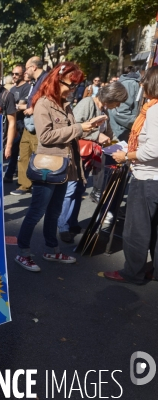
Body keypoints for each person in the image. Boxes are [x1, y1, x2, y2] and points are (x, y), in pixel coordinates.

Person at [14, 62, 102, 272]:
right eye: (71, 85)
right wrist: (79, 127)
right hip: (48, 166)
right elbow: (45, 137)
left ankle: (51, 249)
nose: (73, 90)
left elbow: (71, 133)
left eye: (76, 86)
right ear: (57, 80)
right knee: (36, 212)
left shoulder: (65, 104)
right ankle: (23, 252)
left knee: (54, 212)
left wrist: (90, 129)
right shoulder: (43, 103)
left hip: (64, 166)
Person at [104, 66, 158, 284]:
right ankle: (152, 271)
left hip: (147, 178)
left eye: (144, 81)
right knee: (154, 230)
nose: (140, 84)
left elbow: (154, 148)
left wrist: (127, 155)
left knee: (137, 229)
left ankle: (132, 272)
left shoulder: (153, 111)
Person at [58, 82, 128, 243]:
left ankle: (72, 223)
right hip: (77, 155)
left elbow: (109, 134)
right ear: (110, 98)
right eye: (117, 102)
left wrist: (121, 148)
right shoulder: (87, 103)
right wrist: (96, 136)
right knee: (71, 190)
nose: (118, 106)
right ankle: (63, 226)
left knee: (79, 189)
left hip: (89, 158)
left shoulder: (103, 110)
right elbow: (73, 127)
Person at [12, 56, 48, 196]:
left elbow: (47, 99)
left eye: (26, 68)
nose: (25, 71)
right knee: (24, 153)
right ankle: (24, 184)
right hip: (29, 124)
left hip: (38, 125)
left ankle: (39, 185)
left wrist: (34, 108)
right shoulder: (36, 81)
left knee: (38, 156)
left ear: (33, 67)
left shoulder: (46, 80)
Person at [5, 64, 32, 183]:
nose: (14, 76)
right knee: (14, 151)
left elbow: (21, 105)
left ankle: (21, 178)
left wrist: (14, 107)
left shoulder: (26, 87)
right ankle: (10, 174)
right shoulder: (12, 89)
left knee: (21, 152)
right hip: (13, 122)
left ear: (23, 74)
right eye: (13, 74)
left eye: (17, 74)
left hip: (22, 124)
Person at [107, 65, 141, 142]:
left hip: (124, 131)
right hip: (121, 133)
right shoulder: (129, 84)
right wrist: (139, 124)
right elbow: (120, 112)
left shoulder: (132, 83)